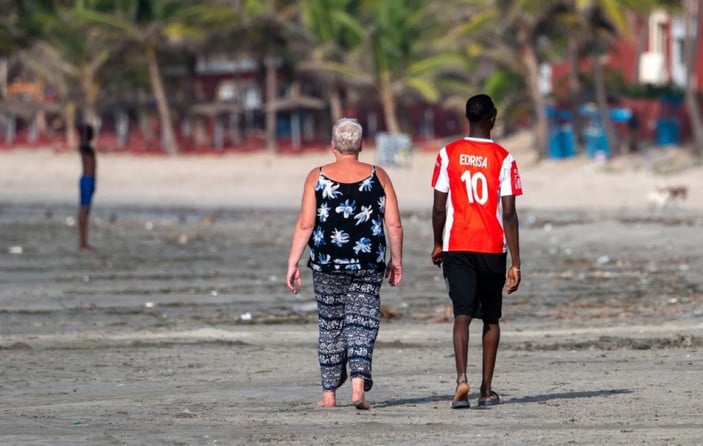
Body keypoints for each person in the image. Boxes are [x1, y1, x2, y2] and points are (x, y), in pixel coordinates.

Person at [286, 117, 403, 410]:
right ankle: (358, 390)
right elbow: (395, 225)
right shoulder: (379, 176)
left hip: (327, 264)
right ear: (361, 145)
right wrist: (396, 261)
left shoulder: (317, 176)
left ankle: (328, 397)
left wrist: (293, 263)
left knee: (330, 325)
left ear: (333, 146)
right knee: (362, 323)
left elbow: (305, 225)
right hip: (369, 262)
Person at [430, 94, 522, 409]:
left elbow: (439, 206)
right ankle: (485, 390)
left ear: (467, 118)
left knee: (462, 315)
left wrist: (438, 242)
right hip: (491, 246)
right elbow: (509, 212)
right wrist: (517, 263)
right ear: (493, 118)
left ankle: (460, 379)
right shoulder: (504, 157)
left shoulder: (448, 153)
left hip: (457, 243)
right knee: (491, 319)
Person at [77, 124, 97, 250]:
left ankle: (84, 241)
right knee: (84, 211)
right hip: (87, 180)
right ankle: (83, 242)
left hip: (89, 180)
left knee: (85, 211)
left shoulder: (87, 148)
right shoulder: (85, 148)